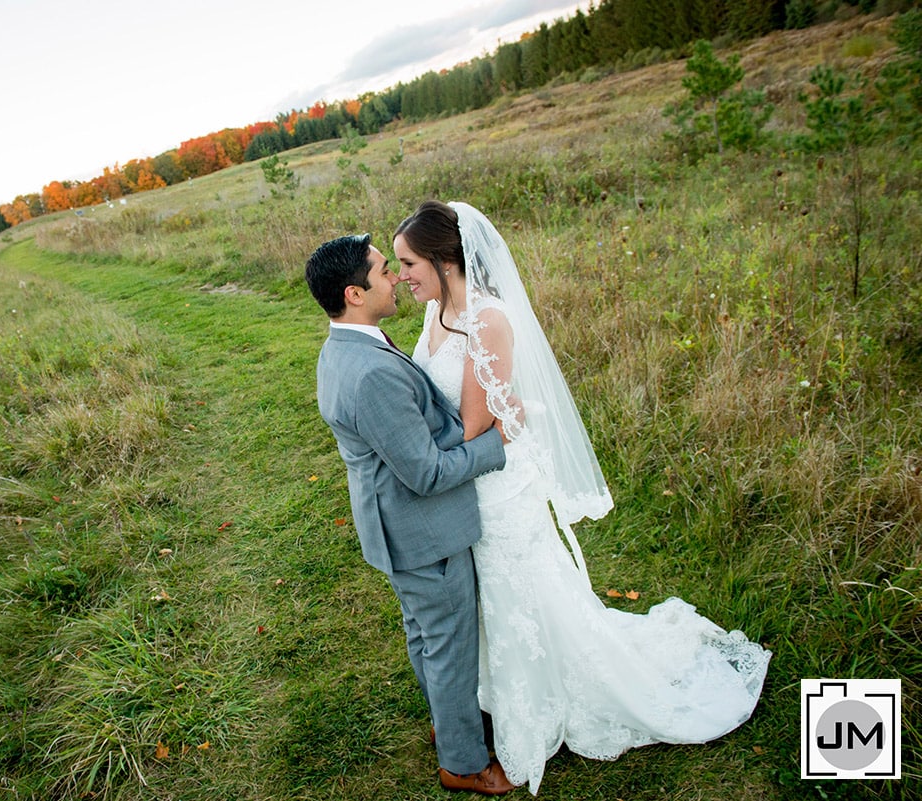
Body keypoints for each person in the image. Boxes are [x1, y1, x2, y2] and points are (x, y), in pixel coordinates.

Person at [393, 201, 772, 795]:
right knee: (486, 600)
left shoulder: (488, 320)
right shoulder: (437, 310)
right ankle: (487, 696)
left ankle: (540, 702)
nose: (402, 276)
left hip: (495, 488)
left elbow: (468, 428)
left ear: (445, 260)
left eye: (410, 263)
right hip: (470, 478)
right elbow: (449, 404)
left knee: (519, 592)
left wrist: (474, 425)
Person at [305, 234, 515, 795]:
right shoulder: (369, 371)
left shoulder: (345, 347)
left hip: (393, 527)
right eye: (382, 272)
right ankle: (464, 762)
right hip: (422, 530)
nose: (394, 277)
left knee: (424, 635)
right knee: (445, 643)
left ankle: (448, 723)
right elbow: (424, 473)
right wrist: (495, 446)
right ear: (355, 293)